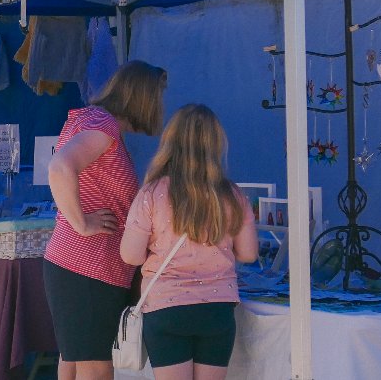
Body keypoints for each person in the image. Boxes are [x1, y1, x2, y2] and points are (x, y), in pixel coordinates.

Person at [43, 61, 167, 380]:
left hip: (80, 267)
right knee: (94, 366)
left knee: (73, 360)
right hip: (89, 268)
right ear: (141, 97)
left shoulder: (92, 120)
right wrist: (82, 223)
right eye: (158, 96)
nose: (160, 105)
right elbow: (59, 167)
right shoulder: (102, 125)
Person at [119, 104, 258, 380]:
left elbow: (130, 256)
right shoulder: (232, 195)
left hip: (166, 308)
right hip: (217, 310)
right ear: (216, 145)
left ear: (170, 142)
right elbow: (250, 253)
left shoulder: (152, 193)